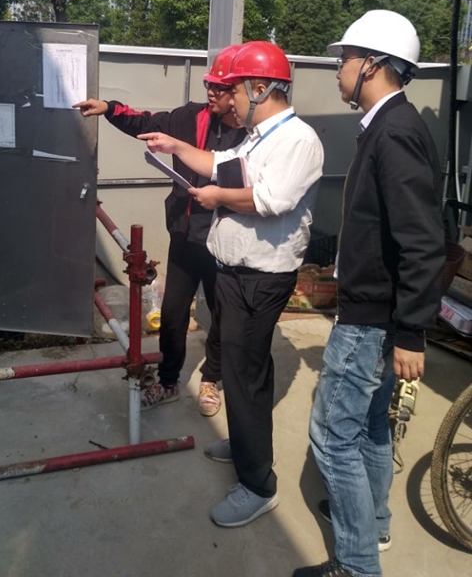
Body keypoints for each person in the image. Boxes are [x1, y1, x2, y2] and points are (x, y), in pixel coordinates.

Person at [138, 41, 324, 527]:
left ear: (260, 88)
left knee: (245, 376)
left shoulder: (298, 140)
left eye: (235, 91)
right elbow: (221, 164)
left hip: (261, 278)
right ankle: (245, 447)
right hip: (236, 273)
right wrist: (176, 148)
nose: (229, 101)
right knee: (245, 372)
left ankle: (258, 486)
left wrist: (218, 197)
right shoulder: (258, 136)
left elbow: (269, 200)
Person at [293, 10, 446, 577]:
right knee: (373, 423)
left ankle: (357, 563)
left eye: (344, 59)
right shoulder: (389, 126)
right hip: (378, 313)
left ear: (373, 65)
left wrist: (411, 331)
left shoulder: (395, 132)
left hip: (370, 320)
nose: (338, 70)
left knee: (333, 436)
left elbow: (422, 241)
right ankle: (372, 522)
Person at [74, 45, 246, 415]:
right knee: (172, 315)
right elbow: (144, 121)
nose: (211, 93)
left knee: (223, 315)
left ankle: (211, 380)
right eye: (209, 85)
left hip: (225, 242)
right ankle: (169, 382)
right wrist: (108, 108)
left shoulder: (254, 133)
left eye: (219, 88)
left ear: (240, 92)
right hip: (184, 236)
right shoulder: (190, 117)